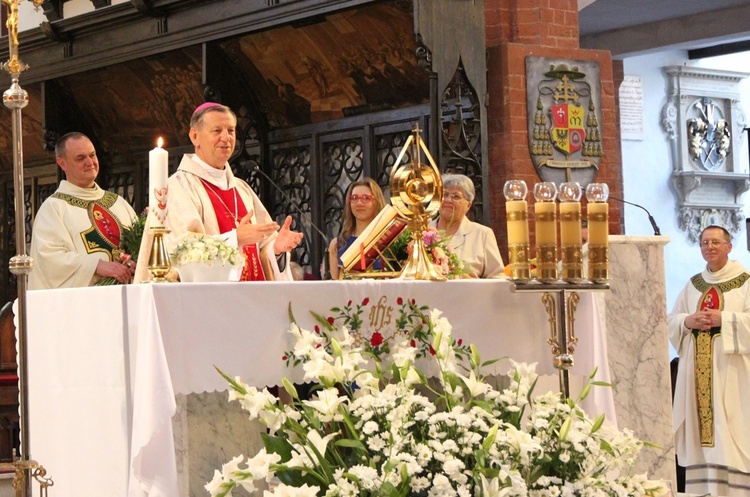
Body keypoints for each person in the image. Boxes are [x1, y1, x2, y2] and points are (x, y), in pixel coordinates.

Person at [134, 102, 303, 282]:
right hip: (210, 302)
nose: (226, 137)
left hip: (252, 299)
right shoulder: (178, 187)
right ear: (195, 136)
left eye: (231, 131)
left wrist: (276, 249)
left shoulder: (242, 189)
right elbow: (179, 249)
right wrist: (235, 239)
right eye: (217, 131)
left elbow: (263, 247)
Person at [668, 225, 750, 496]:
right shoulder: (694, 284)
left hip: (733, 375)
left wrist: (724, 320)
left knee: (735, 432)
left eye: (716, 242)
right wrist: (687, 321)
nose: (710, 247)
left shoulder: (745, 282)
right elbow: (671, 320)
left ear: (729, 246)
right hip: (698, 378)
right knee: (701, 438)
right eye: (704, 242)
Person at [29, 132, 137, 289]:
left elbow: (140, 246)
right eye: (80, 158)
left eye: (92, 155)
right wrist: (96, 266)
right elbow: (49, 260)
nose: (90, 162)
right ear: (62, 164)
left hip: (128, 297)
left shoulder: (119, 203)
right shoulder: (54, 208)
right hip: (84, 305)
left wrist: (136, 263)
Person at [430, 174, 504, 278]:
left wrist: (468, 281)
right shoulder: (422, 231)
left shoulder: (483, 234)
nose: (448, 200)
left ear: (468, 205)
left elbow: (498, 278)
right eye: (444, 194)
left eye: (456, 196)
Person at [328, 178, 386, 279]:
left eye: (366, 198)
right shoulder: (337, 245)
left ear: (376, 202)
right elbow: (336, 288)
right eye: (354, 198)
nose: (359, 203)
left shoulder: (389, 238)